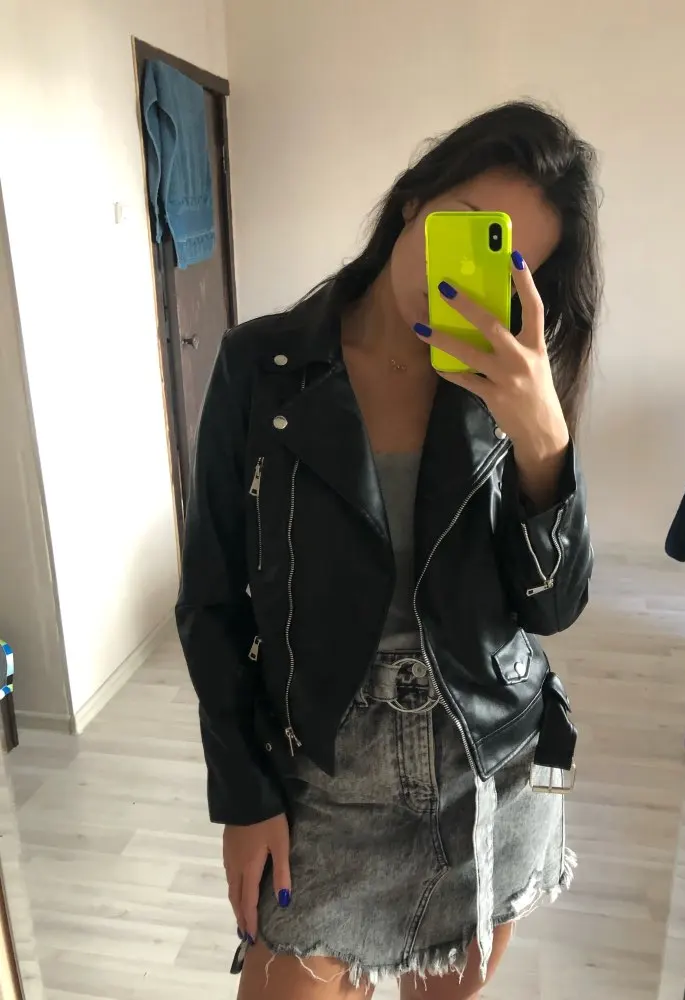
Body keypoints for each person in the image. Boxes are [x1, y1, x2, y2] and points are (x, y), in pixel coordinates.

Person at [176, 100, 601, 1000]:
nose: (468, 273)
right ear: (414, 201)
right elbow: (210, 597)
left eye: (510, 261)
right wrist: (242, 794)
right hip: (322, 778)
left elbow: (553, 608)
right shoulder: (262, 367)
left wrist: (544, 441)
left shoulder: (516, 386)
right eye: (467, 228)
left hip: (487, 772)